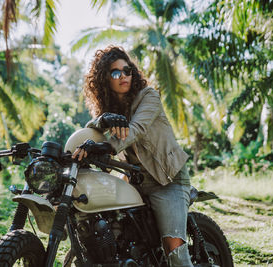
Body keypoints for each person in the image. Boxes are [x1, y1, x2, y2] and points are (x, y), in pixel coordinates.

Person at [72, 45, 193, 267]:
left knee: (174, 249)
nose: (123, 76)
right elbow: (92, 129)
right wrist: (103, 120)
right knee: (107, 235)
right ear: (104, 79)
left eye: (127, 70)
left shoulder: (149, 96)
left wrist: (106, 148)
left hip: (167, 181)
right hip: (134, 182)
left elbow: (135, 129)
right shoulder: (109, 108)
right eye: (115, 72)